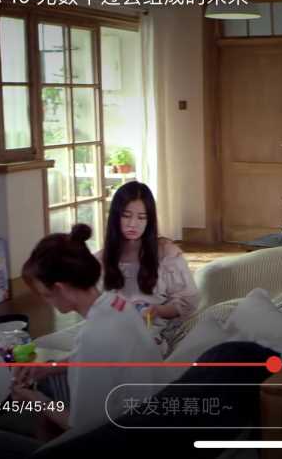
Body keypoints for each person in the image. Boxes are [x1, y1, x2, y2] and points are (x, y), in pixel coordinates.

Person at [14, 224, 162, 433]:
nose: (47, 302)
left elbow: (80, 429)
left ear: (60, 288)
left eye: (45, 295)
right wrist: (49, 368)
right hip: (151, 413)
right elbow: (104, 359)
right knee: (48, 385)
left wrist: (33, 399)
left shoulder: (92, 337)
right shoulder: (118, 304)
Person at [98, 181, 199, 355]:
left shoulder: (166, 254)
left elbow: (187, 302)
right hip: (113, 330)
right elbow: (97, 306)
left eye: (141, 218)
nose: (133, 224)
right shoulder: (101, 260)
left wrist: (157, 310)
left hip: (153, 332)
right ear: (115, 217)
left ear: (149, 220)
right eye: (126, 216)